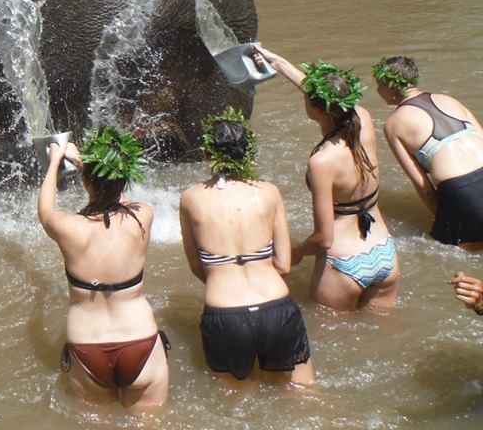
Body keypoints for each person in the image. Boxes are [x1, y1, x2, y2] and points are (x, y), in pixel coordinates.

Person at [257, 48, 400, 312]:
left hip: (345, 262)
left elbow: (324, 238)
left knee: (339, 337)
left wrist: (297, 251)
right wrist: (278, 64)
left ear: (318, 111)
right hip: (384, 252)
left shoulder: (322, 161)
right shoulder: (362, 119)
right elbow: (330, 97)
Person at [180, 108, 314, 385]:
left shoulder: (191, 198)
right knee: (303, 393)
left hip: (225, 311)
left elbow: (196, 265)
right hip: (276, 305)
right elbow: (284, 265)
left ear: (207, 154)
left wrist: (223, 280)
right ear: (249, 152)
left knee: (235, 403)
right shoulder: (269, 192)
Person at [38, 126, 169, 408]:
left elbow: (46, 210)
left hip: (88, 345)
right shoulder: (142, 216)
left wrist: (56, 161)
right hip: (139, 340)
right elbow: (116, 194)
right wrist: (89, 165)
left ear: (87, 181)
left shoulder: (68, 227)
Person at [373, 56, 483, 249]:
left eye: (379, 84)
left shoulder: (393, 124)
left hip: (462, 190)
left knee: (465, 249)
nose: (377, 90)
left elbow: (422, 184)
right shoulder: (449, 99)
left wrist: (441, 219)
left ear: (391, 85)